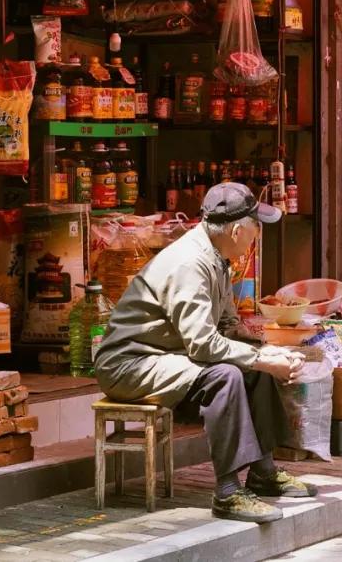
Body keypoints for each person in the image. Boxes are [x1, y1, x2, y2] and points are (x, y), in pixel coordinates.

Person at [95, 182, 317, 523]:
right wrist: (261, 358)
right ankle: (228, 492)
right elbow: (202, 343)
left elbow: (227, 328)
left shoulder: (218, 257)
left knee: (253, 368)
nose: (258, 234)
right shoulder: (190, 263)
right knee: (225, 375)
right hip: (129, 363)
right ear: (238, 230)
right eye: (256, 226)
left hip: (167, 356)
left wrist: (269, 352)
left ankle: (263, 471)